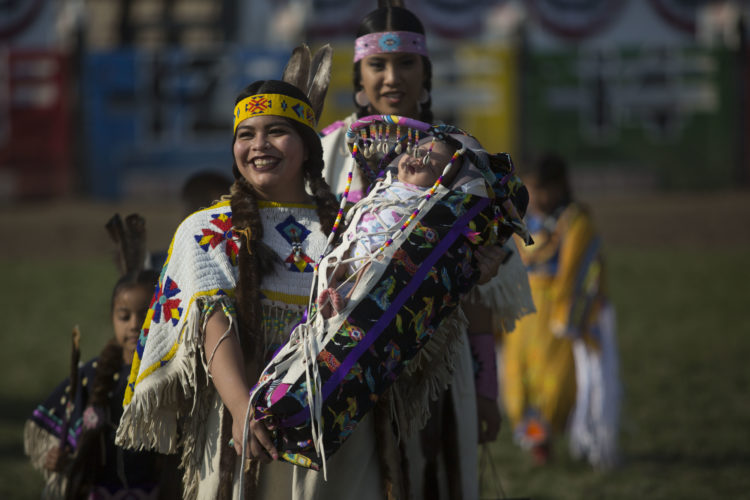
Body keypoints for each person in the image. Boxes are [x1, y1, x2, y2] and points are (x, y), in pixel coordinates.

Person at [115, 47, 388, 498]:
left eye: (276, 131)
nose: (258, 145)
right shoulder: (207, 229)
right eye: (246, 134)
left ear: (306, 146)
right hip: (244, 429)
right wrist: (243, 410)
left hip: (340, 429)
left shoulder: (351, 228)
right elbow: (210, 321)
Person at [320, 3, 534, 497]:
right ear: (359, 74)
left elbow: (483, 287)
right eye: (378, 65)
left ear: (426, 71)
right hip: (338, 360)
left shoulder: (462, 158)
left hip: (437, 363)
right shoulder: (327, 152)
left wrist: (485, 390)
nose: (392, 78)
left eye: (406, 64)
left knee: (431, 482)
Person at [23, 215, 175, 499]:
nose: (133, 324)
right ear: (111, 318)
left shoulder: (174, 375)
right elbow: (61, 441)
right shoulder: (93, 375)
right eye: (124, 316)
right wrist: (58, 457)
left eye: (144, 315)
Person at [499, 153, 620, 468]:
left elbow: (577, 271)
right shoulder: (523, 219)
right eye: (529, 188)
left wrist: (570, 317)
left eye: (541, 189)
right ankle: (538, 440)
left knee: (558, 383)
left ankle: (554, 437)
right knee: (519, 381)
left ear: (560, 186)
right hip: (522, 314)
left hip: (558, 315)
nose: (535, 196)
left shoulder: (575, 221)